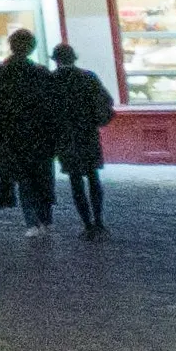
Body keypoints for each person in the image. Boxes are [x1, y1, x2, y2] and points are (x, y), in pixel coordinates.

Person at [0, 27, 61, 231]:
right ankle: (45, 218)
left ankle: (32, 222)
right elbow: (51, 106)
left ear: (10, 45)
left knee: (23, 179)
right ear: (32, 48)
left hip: (10, 134)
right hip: (39, 134)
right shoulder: (41, 72)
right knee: (42, 176)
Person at [47, 44, 117, 239]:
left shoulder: (51, 81)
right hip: (87, 134)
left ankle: (87, 224)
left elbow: (45, 112)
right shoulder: (88, 77)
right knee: (93, 177)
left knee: (75, 181)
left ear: (56, 60)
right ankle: (99, 221)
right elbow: (106, 101)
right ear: (74, 58)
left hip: (65, 137)